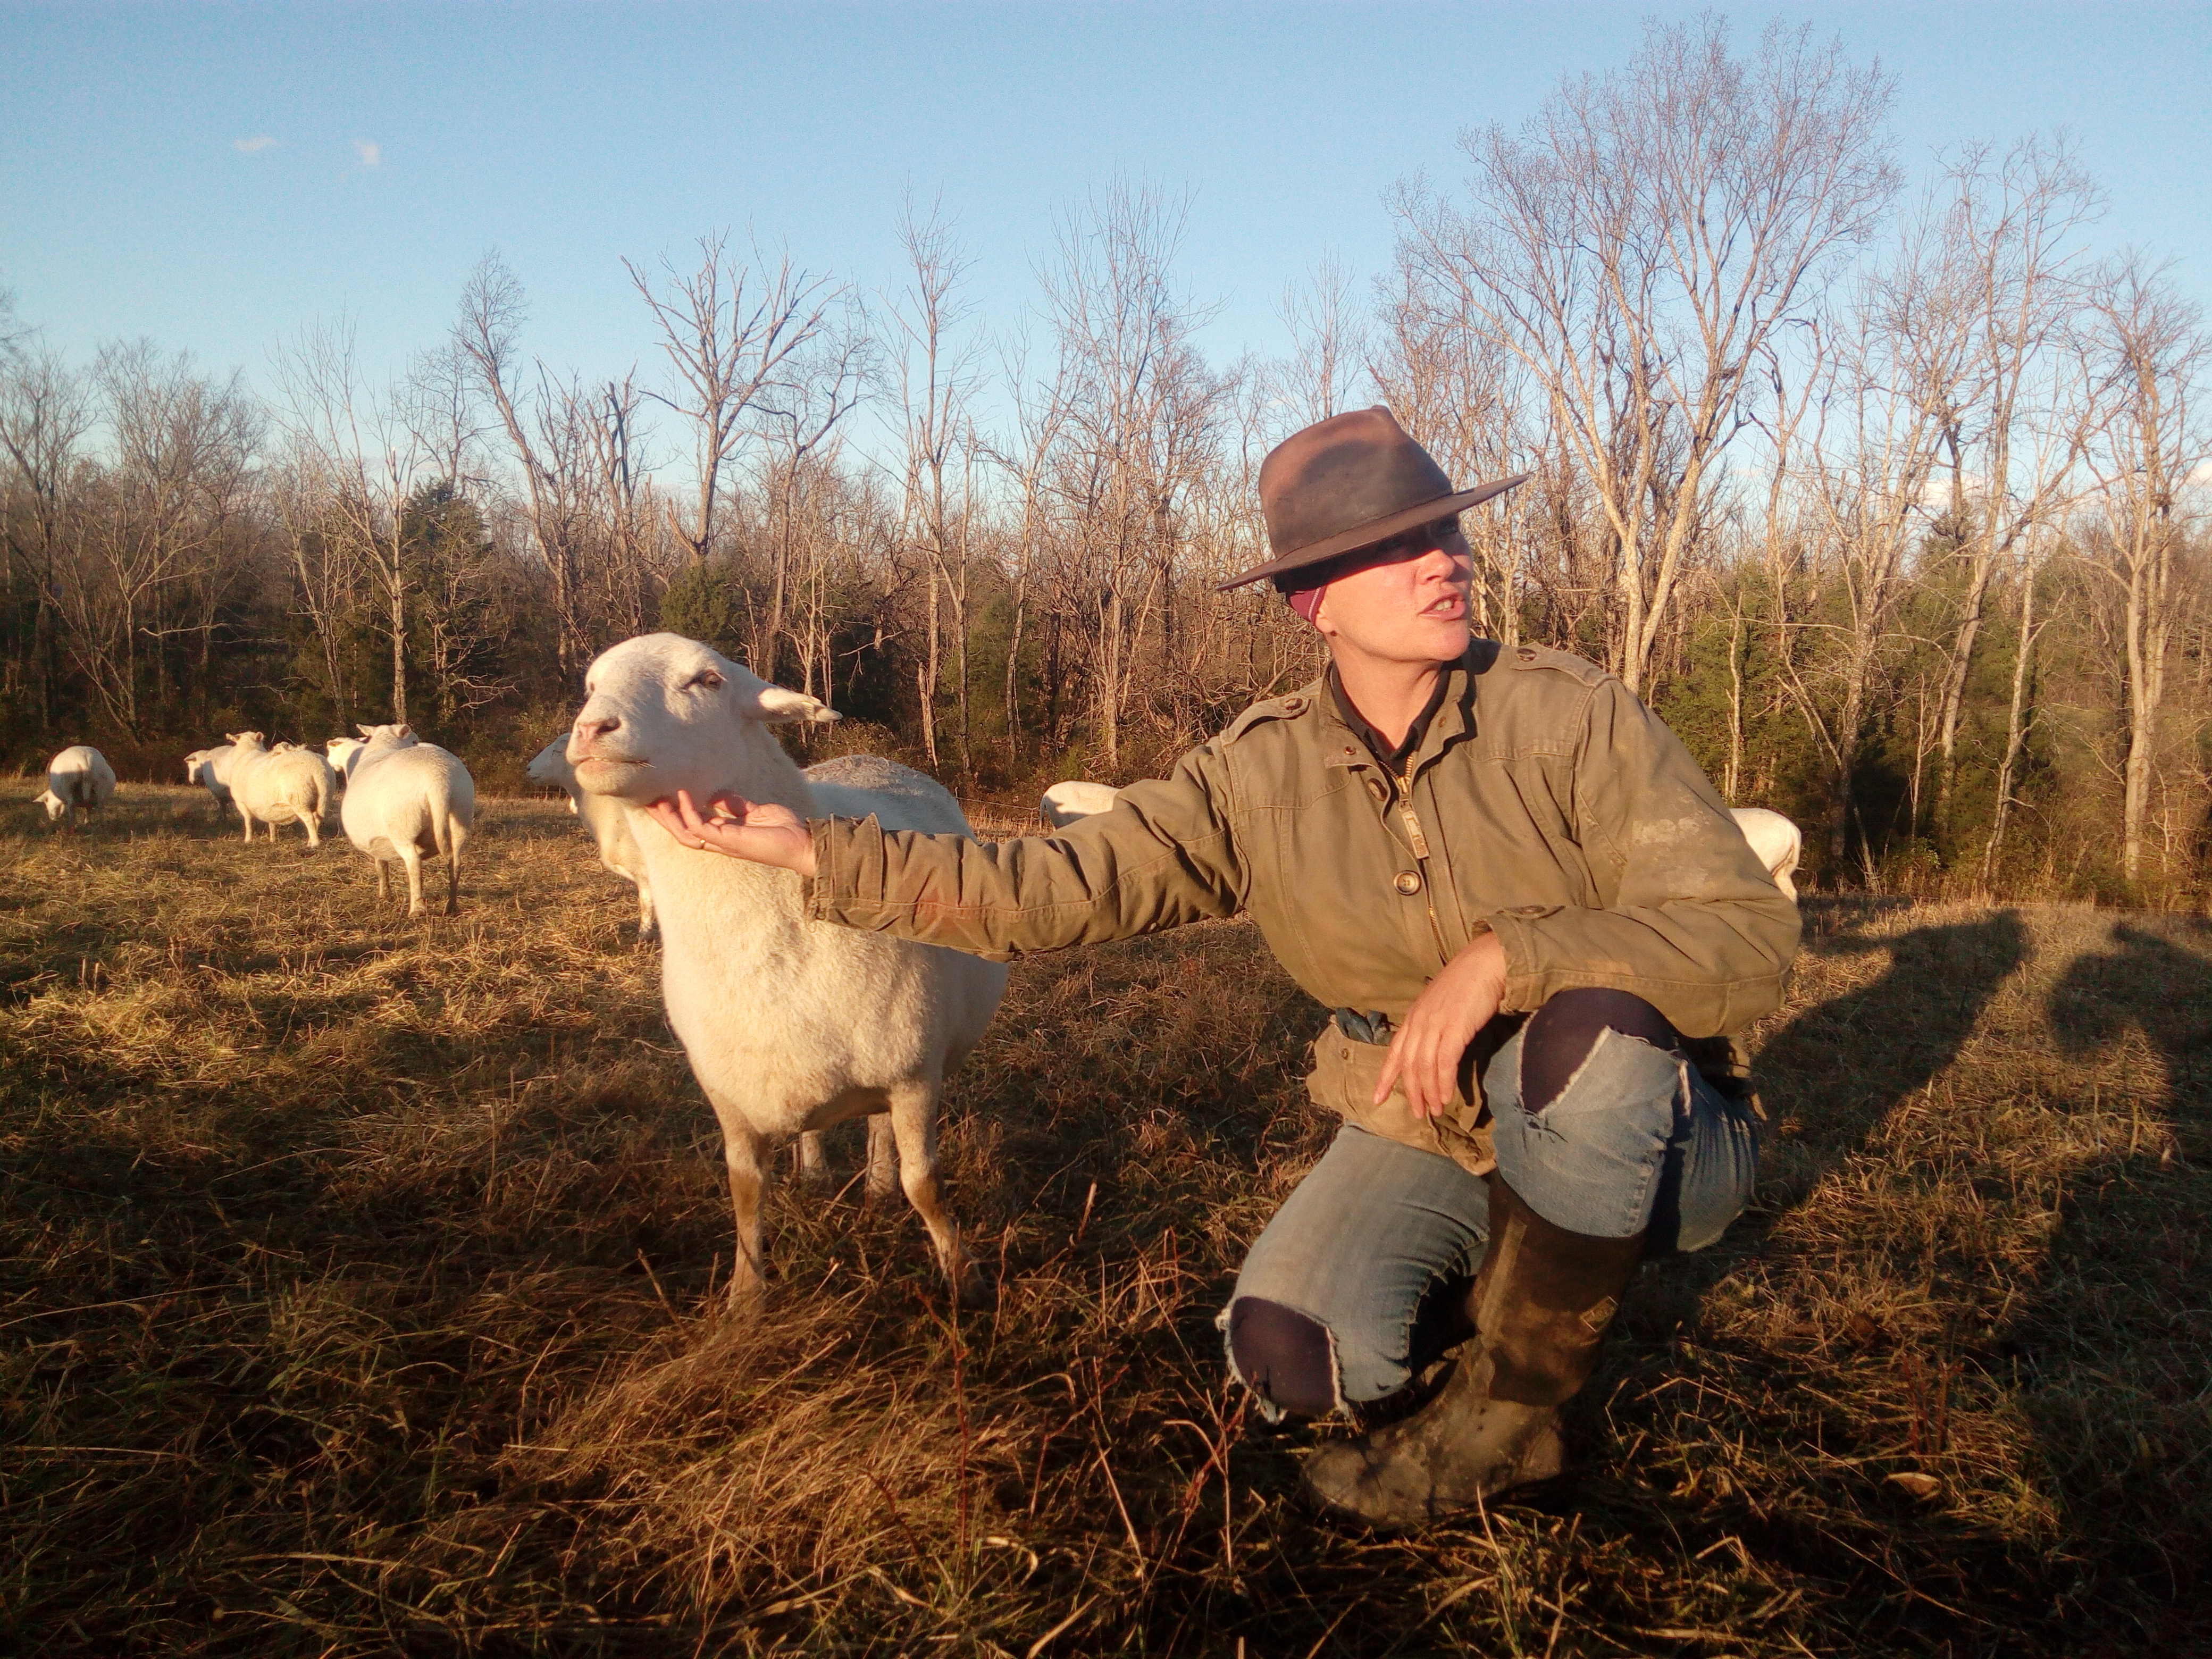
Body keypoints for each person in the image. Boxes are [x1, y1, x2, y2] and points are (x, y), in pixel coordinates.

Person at [644, 407, 1800, 1528]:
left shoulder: (1573, 719)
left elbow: (1747, 936)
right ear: (1313, 604)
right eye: (1395, 549)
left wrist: (1510, 956)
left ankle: (1511, 1419)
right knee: (1288, 1357)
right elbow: (1050, 891)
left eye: (1444, 533)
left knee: (1587, 1027)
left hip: (1652, 1139)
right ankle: (1510, 1269)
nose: (1443, 563)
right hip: (1428, 1124)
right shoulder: (1253, 775)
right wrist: (810, 848)